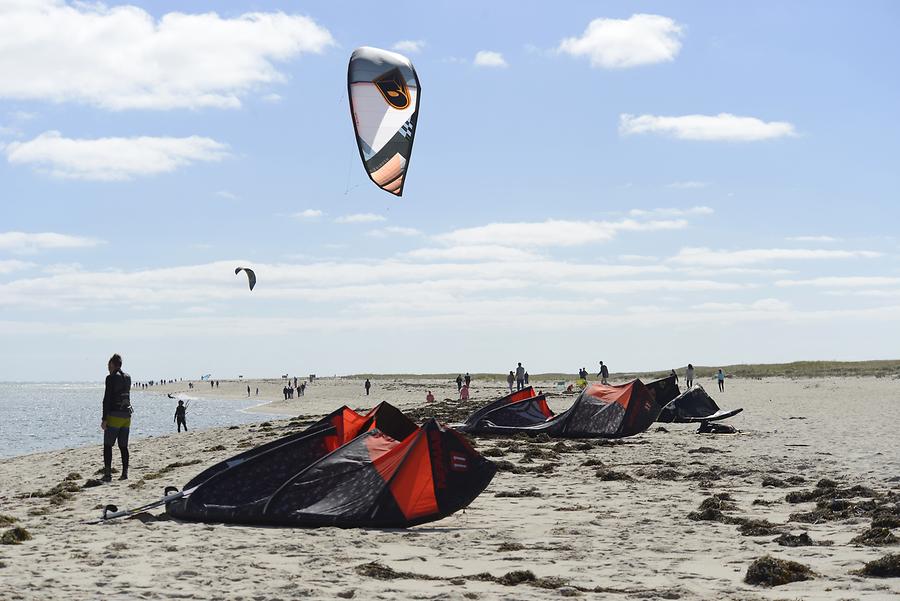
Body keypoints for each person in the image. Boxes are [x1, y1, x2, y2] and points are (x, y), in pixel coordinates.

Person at [101, 353, 132, 482]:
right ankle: (124, 473)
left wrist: (104, 419)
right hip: (127, 416)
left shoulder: (111, 378)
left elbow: (107, 399)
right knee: (123, 446)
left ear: (113, 364)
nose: (108, 367)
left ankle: (108, 474)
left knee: (108, 446)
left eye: (109, 365)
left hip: (114, 415)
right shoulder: (128, 377)